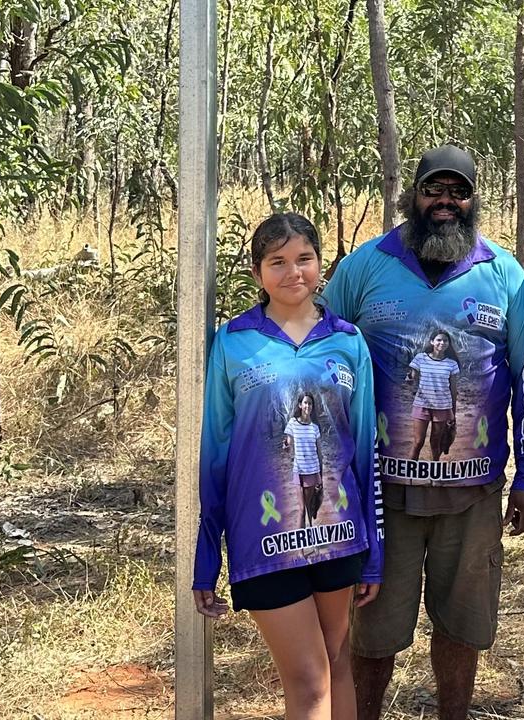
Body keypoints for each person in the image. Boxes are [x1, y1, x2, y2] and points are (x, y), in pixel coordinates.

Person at [323, 145, 524, 720]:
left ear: (473, 200)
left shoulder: (504, 275)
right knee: (373, 633)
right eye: (433, 189)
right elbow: (319, 351)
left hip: (473, 495)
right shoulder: (365, 266)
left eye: (458, 191)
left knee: (463, 628)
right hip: (380, 495)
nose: (445, 201)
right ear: (412, 196)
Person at [192, 212, 383, 720]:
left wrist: (374, 553)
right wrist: (207, 556)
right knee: (308, 679)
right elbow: (214, 455)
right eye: (277, 262)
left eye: (304, 259)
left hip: (339, 537)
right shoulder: (233, 343)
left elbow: (365, 453)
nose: (293, 272)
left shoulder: (348, 342)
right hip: (264, 542)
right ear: (257, 273)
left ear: (322, 265)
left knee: (337, 665)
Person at [407, 329, 460, 462]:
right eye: (439, 340)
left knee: (435, 442)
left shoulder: (451, 364)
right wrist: (409, 378)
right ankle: (410, 476)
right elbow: (412, 378)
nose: (442, 342)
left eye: (445, 340)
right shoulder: (420, 358)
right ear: (432, 342)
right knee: (418, 442)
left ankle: (434, 478)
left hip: (442, 406)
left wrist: (453, 412)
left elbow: (453, 390)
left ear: (448, 343)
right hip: (422, 404)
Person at [283, 391, 326, 527]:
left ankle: (312, 542)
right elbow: (288, 445)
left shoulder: (314, 428)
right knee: (301, 509)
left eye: (310, 403)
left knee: (308, 508)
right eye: (305, 403)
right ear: (300, 405)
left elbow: (319, 453)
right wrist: (286, 446)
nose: (308, 406)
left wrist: (320, 475)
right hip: (298, 470)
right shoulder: (292, 423)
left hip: (311, 472)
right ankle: (301, 547)